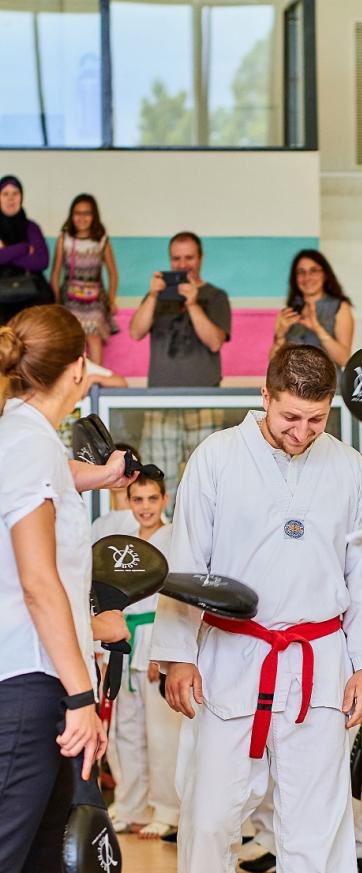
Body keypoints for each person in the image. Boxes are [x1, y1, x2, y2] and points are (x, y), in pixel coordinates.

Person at [151, 344, 362, 873]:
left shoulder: (345, 469)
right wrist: (177, 652)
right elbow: (184, 561)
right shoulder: (218, 461)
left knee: (319, 825)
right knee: (209, 820)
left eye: (316, 421)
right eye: (291, 417)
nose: (302, 432)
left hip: (319, 663)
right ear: (264, 393)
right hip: (232, 659)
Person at [0, 304, 130, 873]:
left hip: (36, 684)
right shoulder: (25, 445)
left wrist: (99, 475)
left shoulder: (31, 440)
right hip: (29, 688)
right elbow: (38, 580)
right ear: (79, 369)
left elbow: (52, 484)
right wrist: (83, 698)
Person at [129, 231, 232, 508]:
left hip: (205, 402)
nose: (182, 264)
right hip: (160, 403)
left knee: (209, 481)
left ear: (200, 259)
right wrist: (153, 295)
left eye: (189, 257)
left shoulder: (215, 296)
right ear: (169, 260)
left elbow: (214, 341)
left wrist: (193, 303)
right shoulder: (157, 296)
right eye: (176, 258)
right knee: (160, 482)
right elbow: (135, 331)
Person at [108, 474, 178, 838]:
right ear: (129, 502)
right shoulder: (126, 543)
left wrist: (161, 652)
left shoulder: (173, 538)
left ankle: (167, 809)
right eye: (139, 499)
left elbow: (176, 595)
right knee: (127, 730)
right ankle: (131, 805)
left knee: (161, 730)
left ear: (164, 500)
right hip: (124, 635)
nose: (146, 507)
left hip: (156, 632)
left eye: (153, 499)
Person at [50, 194, 119, 365]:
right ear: (71, 216)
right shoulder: (64, 239)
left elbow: (113, 273)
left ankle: (95, 380)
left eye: (87, 213)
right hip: (70, 295)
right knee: (74, 334)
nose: (82, 218)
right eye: (77, 213)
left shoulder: (102, 240)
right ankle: (76, 379)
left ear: (94, 215)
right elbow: (55, 272)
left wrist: (111, 299)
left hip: (95, 297)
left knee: (93, 331)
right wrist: (56, 299)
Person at [271, 250, 354, 369]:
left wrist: (318, 329)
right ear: (295, 278)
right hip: (293, 386)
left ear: (325, 274)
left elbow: (344, 359)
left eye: (313, 270)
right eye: (301, 272)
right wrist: (280, 335)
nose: (307, 277)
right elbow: (273, 364)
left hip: (327, 386)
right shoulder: (288, 313)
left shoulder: (340, 307)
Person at [0, 175, 52, 324]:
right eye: (5, 194)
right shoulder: (24, 245)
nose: (11, 198)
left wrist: (6, 253)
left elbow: (42, 261)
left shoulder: (31, 227)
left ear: (21, 197)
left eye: (15, 193)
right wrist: (22, 248)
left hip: (30, 294)